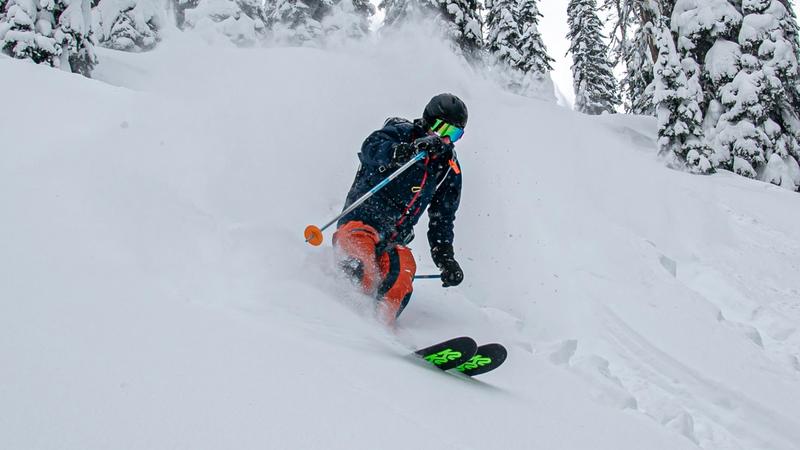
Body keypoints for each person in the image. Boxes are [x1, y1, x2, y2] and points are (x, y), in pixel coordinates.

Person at [333, 93, 467, 322]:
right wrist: (400, 151)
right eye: (442, 129)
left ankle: (381, 328)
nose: (446, 139)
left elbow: (442, 218)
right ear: (427, 120)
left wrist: (445, 258)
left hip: (393, 239)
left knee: (402, 274)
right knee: (365, 269)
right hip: (360, 223)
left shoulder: (447, 169)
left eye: (454, 134)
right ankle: (343, 320)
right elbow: (370, 148)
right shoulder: (401, 132)